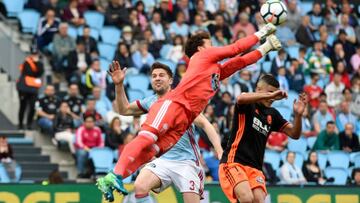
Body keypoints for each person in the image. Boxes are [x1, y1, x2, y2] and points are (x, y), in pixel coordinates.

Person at [97, 23, 280, 201]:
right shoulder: (201, 57)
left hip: (184, 121)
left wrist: (265, 48)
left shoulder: (213, 71)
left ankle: (115, 179)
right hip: (175, 105)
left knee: (151, 150)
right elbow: (235, 49)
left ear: (170, 79)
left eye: (162, 75)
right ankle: (115, 175)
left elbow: (239, 62)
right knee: (147, 138)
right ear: (201, 48)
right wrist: (261, 32)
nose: (213, 47)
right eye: (210, 44)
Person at [102, 62, 222, 203]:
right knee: (140, 186)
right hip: (163, 160)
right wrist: (119, 85)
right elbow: (124, 110)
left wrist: (219, 151)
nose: (157, 78)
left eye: (161, 75)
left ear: (170, 80)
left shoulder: (182, 101)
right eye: (154, 76)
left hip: (186, 162)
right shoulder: (151, 101)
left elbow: (206, 124)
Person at [219, 75, 307, 203]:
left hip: (255, 167)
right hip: (234, 161)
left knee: (259, 200)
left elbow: (294, 134)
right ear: (259, 89)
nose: (273, 97)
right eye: (270, 92)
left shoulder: (273, 114)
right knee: (246, 199)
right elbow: (240, 98)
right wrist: (270, 96)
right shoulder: (248, 103)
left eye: (275, 94)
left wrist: (298, 116)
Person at [16, 45, 44, 130]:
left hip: (33, 88)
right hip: (24, 88)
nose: (34, 55)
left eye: (35, 53)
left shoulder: (40, 63)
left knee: (32, 106)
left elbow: (39, 73)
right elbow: (28, 73)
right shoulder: (26, 62)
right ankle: (20, 124)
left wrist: (37, 62)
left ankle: (29, 124)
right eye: (33, 53)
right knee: (23, 106)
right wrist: (34, 63)